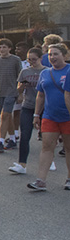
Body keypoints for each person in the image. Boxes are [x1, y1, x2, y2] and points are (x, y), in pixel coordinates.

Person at [27, 43, 70, 191]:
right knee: (46, 147)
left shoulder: (69, 70)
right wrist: (36, 114)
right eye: (50, 54)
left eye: (56, 54)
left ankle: (69, 179)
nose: (52, 57)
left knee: (68, 148)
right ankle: (41, 181)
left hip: (67, 116)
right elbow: (40, 95)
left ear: (64, 55)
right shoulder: (45, 73)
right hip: (50, 116)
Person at [10, 47, 44, 175]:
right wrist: (22, 86)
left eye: (34, 59)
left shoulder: (46, 72)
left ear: (41, 58)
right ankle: (22, 164)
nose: (31, 62)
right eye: (29, 59)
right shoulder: (24, 72)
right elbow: (18, 90)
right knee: (25, 135)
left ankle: (50, 160)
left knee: (46, 137)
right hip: (28, 105)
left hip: (44, 107)